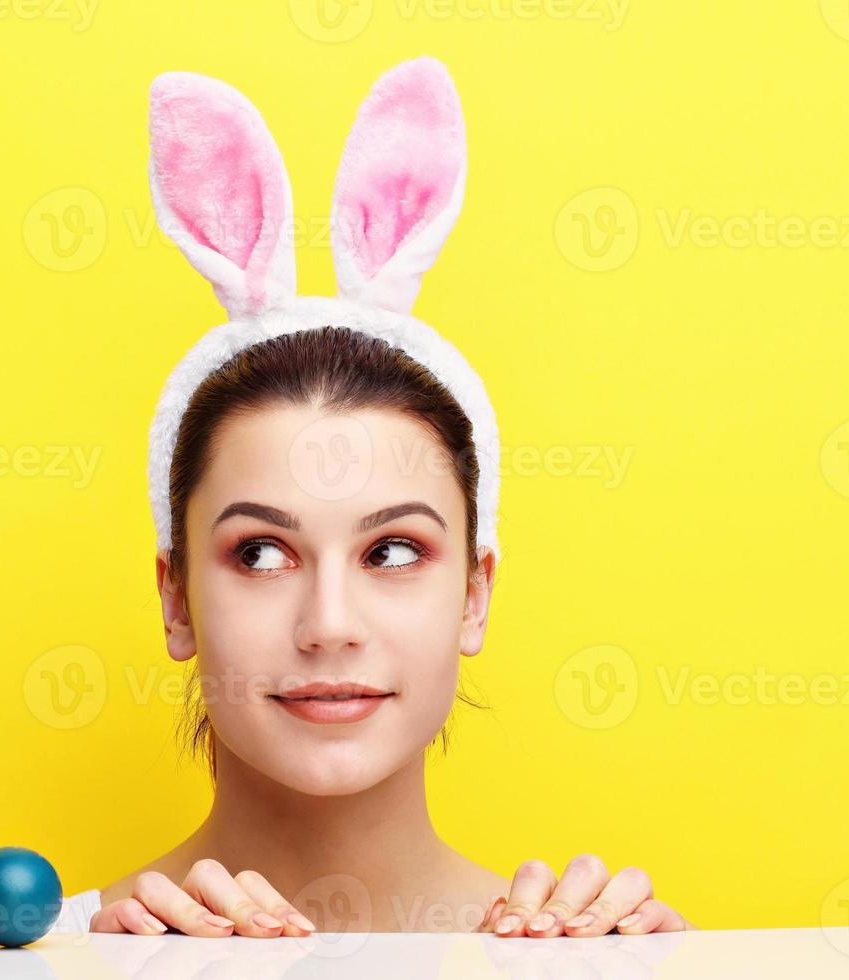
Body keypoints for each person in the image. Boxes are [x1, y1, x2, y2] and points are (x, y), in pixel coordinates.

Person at [49, 58, 691, 940]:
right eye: (260, 554)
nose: (329, 623)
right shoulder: (47, 952)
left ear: (474, 593)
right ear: (175, 597)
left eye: (392, 551)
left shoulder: (594, 955)